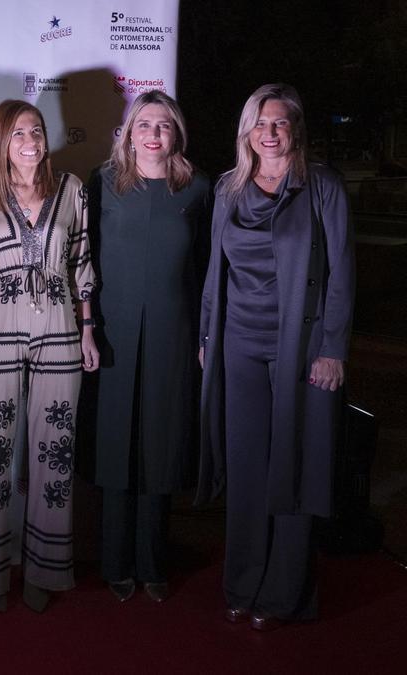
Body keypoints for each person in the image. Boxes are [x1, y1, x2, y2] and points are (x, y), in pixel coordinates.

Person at [198, 83, 354, 630]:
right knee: (246, 468)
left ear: (295, 130)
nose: (269, 132)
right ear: (247, 132)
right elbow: (215, 272)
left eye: (279, 123)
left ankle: (284, 593)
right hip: (238, 343)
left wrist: (332, 348)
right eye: (260, 123)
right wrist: (206, 336)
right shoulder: (227, 189)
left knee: (293, 463)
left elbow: (339, 275)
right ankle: (241, 585)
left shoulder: (323, 188)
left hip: (302, 349)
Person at [0, 100, 98, 615]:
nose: (30, 140)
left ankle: (44, 569)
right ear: (1, 140)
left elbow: (82, 261)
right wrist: (5, 288)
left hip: (62, 329)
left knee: (54, 455)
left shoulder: (71, 190)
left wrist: (87, 330)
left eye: (37, 131)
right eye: (18, 132)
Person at [89, 91, 210, 603]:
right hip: (112, 334)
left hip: (173, 334)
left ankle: (153, 563)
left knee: (160, 444)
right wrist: (86, 326)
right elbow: (83, 261)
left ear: (175, 133)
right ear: (129, 132)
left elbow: (207, 269)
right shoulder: (102, 185)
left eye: (163, 125)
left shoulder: (199, 189)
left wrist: (206, 335)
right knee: (116, 444)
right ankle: (115, 562)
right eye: (144, 125)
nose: (154, 134)